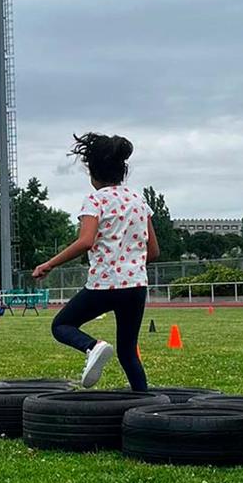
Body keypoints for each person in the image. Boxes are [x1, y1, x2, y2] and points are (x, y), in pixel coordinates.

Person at [33, 133, 159, 390]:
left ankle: (93, 346)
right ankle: (146, 406)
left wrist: (49, 264)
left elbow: (86, 241)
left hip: (105, 284)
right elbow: (154, 250)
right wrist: (132, 267)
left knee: (62, 325)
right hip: (135, 286)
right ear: (122, 170)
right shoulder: (139, 200)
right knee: (128, 352)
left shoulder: (95, 200)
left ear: (93, 174)